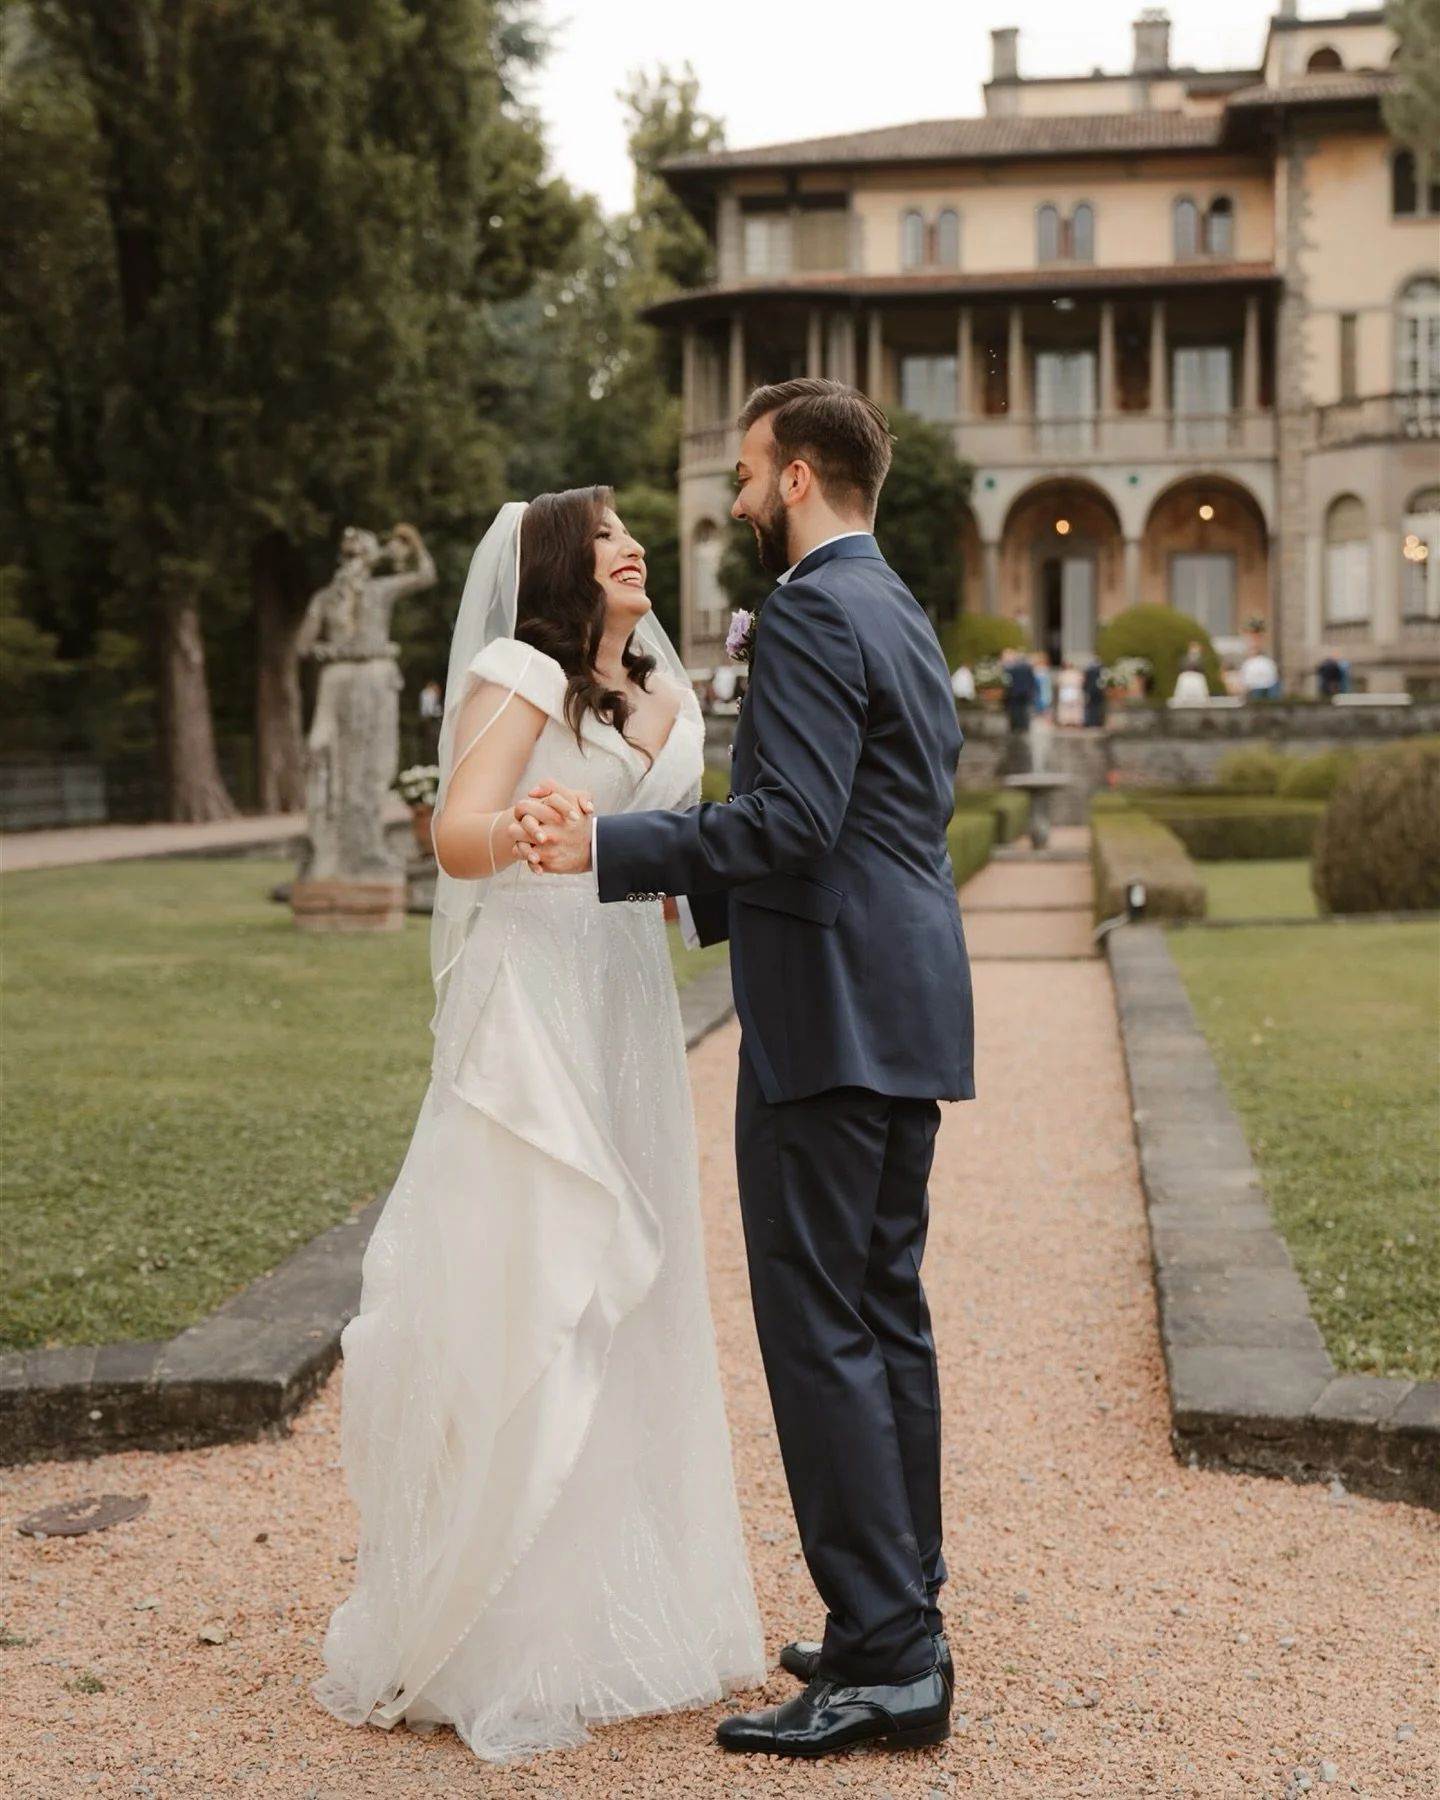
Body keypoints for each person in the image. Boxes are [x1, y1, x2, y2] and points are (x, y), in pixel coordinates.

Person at [519, 379, 972, 1760]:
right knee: (882, 1306)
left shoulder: (818, 610)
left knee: (821, 1321)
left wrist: (605, 851)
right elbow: (872, 819)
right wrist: (697, 889)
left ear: (796, 479)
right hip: (899, 999)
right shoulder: (897, 605)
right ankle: (896, 1609)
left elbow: (789, 820)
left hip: (827, 1014)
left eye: (746, 465)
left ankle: (891, 1662)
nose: (733, 485)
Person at [314, 490, 764, 1759]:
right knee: (544, 1276)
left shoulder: (660, 698)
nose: (634, 545)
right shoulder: (518, 670)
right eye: (608, 530)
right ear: (566, 562)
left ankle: (634, 1602)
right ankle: (502, 1620)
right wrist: (516, 830)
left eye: (637, 531)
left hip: (624, 999)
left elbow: (675, 828)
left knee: (639, 1287)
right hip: (533, 1000)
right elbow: (453, 836)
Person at [1003, 643, 1038, 734]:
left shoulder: (1013, 668)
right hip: (1025, 692)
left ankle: (1016, 725)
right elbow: (1032, 680)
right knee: (1024, 709)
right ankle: (1024, 725)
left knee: (1015, 709)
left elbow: (1008, 680)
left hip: (1015, 692)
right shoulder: (1028, 668)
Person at [1082, 655, 1107, 729]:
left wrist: (1085, 689)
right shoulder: (1101, 670)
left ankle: (1091, 721)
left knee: (1091, 707)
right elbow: (1103, 681)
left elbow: (1085, 682)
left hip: (1091, 690)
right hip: (1098, 690)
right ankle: (1096, 721)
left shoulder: (1088, 670)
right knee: (1096, 707)